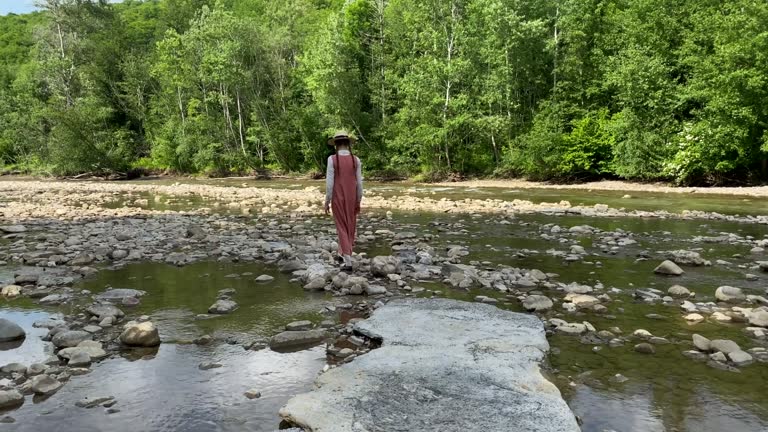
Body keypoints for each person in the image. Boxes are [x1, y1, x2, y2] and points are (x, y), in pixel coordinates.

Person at [324, 130, 363, 269]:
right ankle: (342, 253)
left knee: (341, 227)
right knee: (350, 226)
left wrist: (327, 201)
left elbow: (330, 183)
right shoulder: (355, 160)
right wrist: (359, 199)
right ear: (348, 144)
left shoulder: (332, 159)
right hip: (352, 197)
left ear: (336, 145)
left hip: (338, 197)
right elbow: (359, 182)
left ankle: (348, 261)